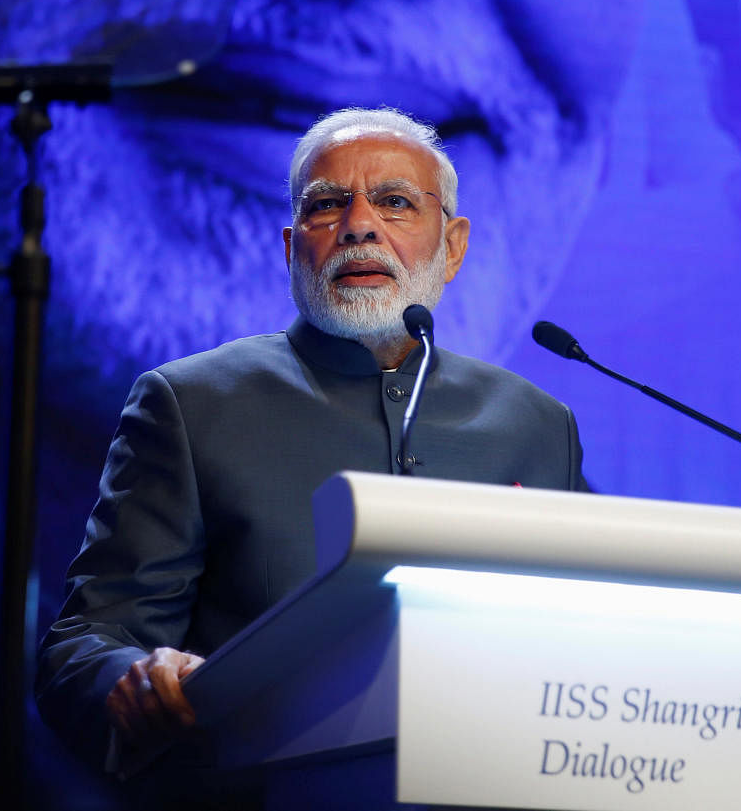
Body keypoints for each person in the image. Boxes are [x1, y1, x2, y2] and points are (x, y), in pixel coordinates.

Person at [35, 107, 589, 776]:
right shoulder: (190, 403)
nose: (359, 226)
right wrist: (134, 678)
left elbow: (592, 634)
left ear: (454, 246)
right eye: (327, 205)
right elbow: (85, 641)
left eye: (394, 202)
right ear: (291, 247)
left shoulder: (536, 423)